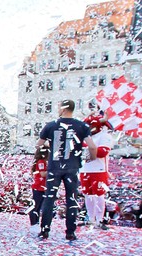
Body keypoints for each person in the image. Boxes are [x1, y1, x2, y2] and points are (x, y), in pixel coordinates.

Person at [36, 99, 98, 241]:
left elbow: (38, 144)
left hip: (54, 167)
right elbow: (92, 146)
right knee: (71, 199)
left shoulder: (51, 126)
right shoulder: (82, 126)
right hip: (72, 167)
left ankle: (44, 230)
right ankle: (70, 232)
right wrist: (91, 158)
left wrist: (51, 145)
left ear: (63, 108)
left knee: (49, 199)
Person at [79, 112, 113, 230]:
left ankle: (99, 220)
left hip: (99, 170)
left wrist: (86, 152)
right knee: (87, 195)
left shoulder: (105, 136)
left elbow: (103, 152)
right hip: (84, 170)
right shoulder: (85, 136)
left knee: (99, 195)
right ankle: (90, 219)